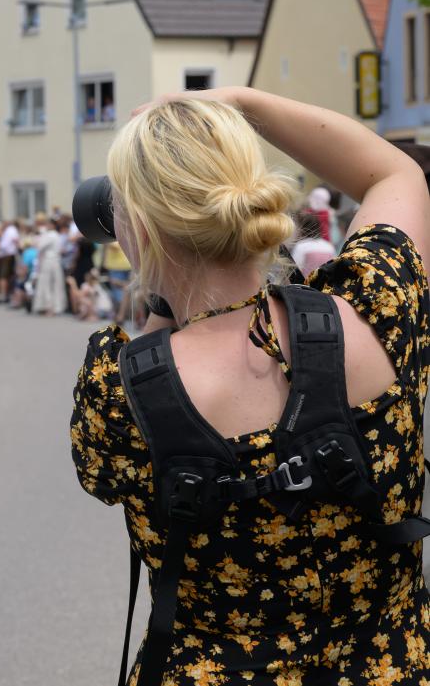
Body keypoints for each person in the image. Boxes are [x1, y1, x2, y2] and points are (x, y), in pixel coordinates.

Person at [70, 88, 430, 684]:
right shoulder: (378, 310)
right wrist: (241, 102)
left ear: (135, 228)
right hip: (388, 667)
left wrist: (162, 294)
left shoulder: (119, 393)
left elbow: (104, 473)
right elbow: (393, 170)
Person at [32, 217, 66, 316]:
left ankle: (49, 307)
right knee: (56, 284)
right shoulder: (57, 235)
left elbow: (39, 245)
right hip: (55, 260)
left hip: (48, 260)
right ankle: (56, 306)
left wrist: (40, 236)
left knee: (46, 284)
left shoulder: (50, 235)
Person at [290, 209, 337, 275]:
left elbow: (294, 271)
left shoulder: (301, 246)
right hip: (325, 283)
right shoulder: (329, 246)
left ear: (302, 229)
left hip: (306, 283)